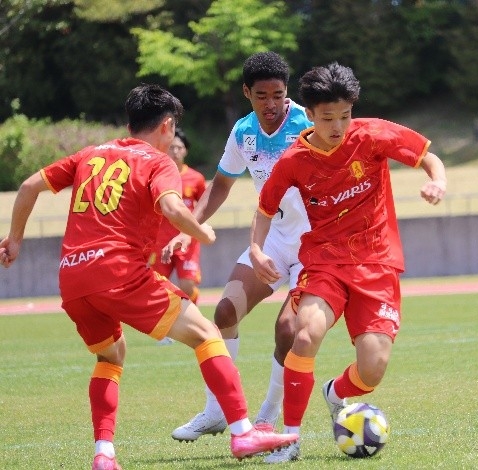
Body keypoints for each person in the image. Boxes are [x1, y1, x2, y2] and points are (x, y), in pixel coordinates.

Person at [0, 84, 298, 470]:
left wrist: (14, 240)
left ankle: (104, 454)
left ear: (130, 124)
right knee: (207, 336)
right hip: (119, 272)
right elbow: (173, 208)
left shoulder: (90, 154)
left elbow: (29, 186)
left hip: (72, 277)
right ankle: (243, 432)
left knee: (111, 356)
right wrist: (201, 232)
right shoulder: (159, 162)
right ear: (167, 125)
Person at [249, 62, 447, 463]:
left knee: (373, 368)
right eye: (327, 118)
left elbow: (429, 157)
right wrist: (256, 249)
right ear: (309, 114)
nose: (338, 126)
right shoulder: (294, 160)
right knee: (306, 335)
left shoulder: (372, 135)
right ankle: (290, 439)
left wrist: (437, 181)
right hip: (325, 262)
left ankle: (335, 393)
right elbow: (265, 207)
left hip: (377, 263)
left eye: (345, 115)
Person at [166, 51, 313, 445]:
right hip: (273, 239)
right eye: (261, 96)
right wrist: (189, 228)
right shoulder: (243, 132)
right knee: (225, 312)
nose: (271, 104)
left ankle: (266, 416)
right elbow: (221, 185)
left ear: (287, 91)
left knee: (288, 328)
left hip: (315, 243)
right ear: (247, 92)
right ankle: (218, 412)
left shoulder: (308, 123)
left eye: (278, 95)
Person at [149, 128, 206, 345]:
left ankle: (192, 319)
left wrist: (198, 229)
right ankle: (164, 329)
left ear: (186, 151)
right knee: (158, 286)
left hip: (186, 241)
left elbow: (204, 206)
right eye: (171, 147)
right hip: (160, 241)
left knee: (187, 285)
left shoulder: (196, 178)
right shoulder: (158, 176)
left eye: (179, 147)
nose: (175, 151)